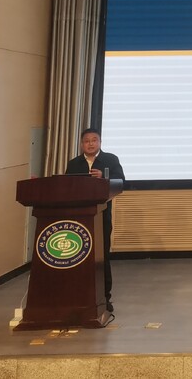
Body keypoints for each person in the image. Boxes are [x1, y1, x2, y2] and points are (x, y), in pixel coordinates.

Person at [65, 128, 125, 312]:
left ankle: (105, 297)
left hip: (101, 215)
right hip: (78, 217)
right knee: (78, 256)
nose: (90, 144)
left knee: (101, 256)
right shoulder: (74, 163)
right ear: (81, 144)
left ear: (100, 142)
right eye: (86, 141)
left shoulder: (110, 160)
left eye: (94, 140)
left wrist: (104, 178)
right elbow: (66, 186)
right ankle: (79, 295)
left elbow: (121, 182)